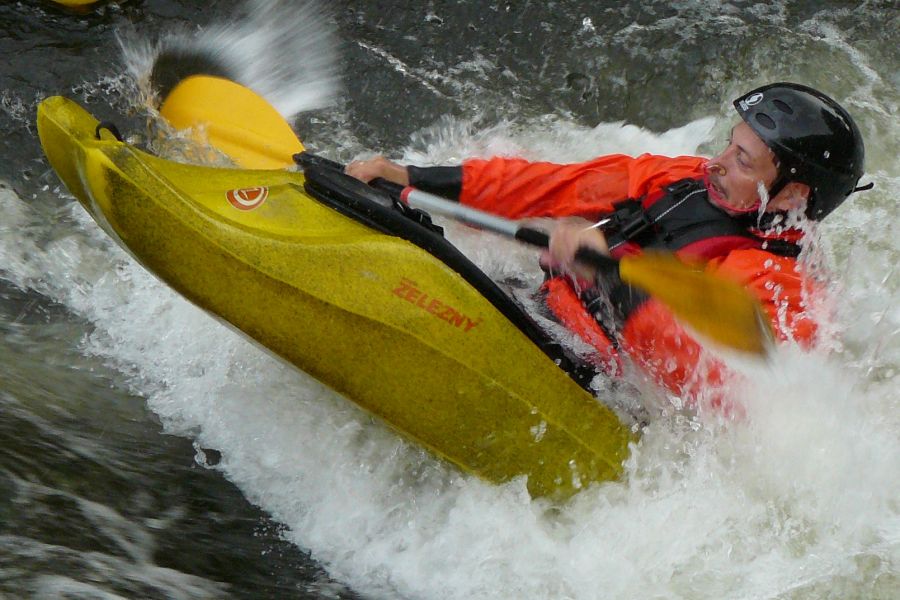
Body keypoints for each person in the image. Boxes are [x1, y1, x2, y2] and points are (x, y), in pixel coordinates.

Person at [345, 82, 868, 412]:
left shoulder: (780, 284)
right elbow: (553, 186)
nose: (717, 161)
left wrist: (607, 270)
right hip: (547, 309)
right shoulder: (683, 179)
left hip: (603, 394)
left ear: (793, 195)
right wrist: (414, 177)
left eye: (743, 161)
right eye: (731, 144)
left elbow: (713, 381)